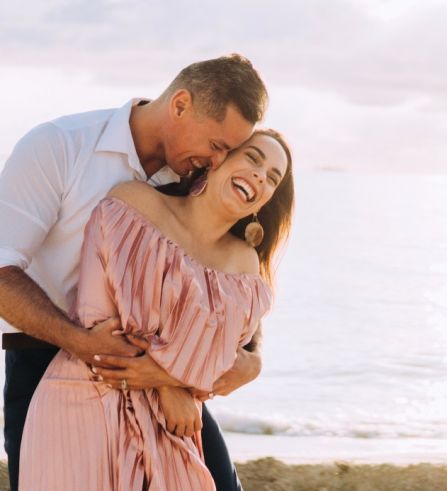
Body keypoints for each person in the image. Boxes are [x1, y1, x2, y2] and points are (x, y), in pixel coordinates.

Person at [0, 54, 268, 490]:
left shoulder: (196, 183)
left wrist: (252, 357)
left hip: (165, 371)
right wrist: (81, 342)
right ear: (180, 104)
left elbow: (232, 284)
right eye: (217, 145)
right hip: (46, 358)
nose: (218, 162)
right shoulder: (60, 146)